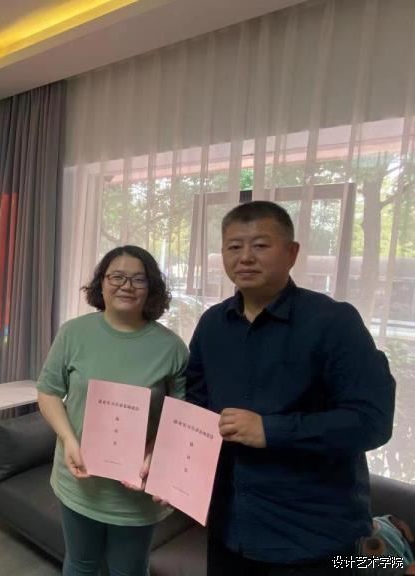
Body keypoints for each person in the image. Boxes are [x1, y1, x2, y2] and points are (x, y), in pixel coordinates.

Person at [185, 201, 395, 576]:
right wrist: (173, 469)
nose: (245, 257)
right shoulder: (212, 324)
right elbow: (196, 408)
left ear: (292, 252)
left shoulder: (334, 322)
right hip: (229, 528)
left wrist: (270, 430)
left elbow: (372, 421)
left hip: (314, 537)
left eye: (260, 245)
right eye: (234, 246)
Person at [37, 245, 188, 576]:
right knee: (80, 564)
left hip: (135, 491)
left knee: (128, 571)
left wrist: (156, 455)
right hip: (79, 480)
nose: (126, 286)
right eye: (117, 276)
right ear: (101, 283)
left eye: (138, 279)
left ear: (151, 287)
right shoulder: (73, 333)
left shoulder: (172, 348)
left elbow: (181, 419)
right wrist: (69, 439)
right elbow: (48, 392)